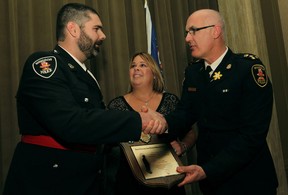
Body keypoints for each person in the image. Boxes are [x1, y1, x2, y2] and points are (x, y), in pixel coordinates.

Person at [3, 3, 165, 195]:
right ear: (73, 29)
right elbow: (70, 123)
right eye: (96, 28)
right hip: (49, 182)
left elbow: (95, 124)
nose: (103, 35)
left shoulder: (83, 73)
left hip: (83, 181)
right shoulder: (46, 65)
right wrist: (138, 120)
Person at [161, 9, 278, 195]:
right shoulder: (193, 73)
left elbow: (252, 135)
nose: (187, 39)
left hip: (249, 181)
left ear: (215, 31)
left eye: (193, 31)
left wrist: (208, 170)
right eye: (186, 33)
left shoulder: (247, 69)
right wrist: (162, 123)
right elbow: (185, 114)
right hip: (212, 183)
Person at [106, 52, 196, 195]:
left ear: (154, 73)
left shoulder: (170, 101)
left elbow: (190, 132)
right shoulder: (116, 106)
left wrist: (182, 146)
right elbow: (107, 145)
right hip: (129, 181)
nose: (136, 68)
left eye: (142, 65)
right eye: (133, 66)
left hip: (168, 180)